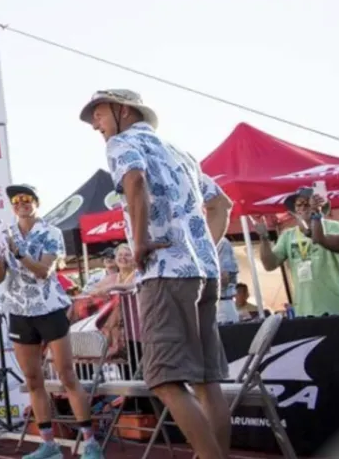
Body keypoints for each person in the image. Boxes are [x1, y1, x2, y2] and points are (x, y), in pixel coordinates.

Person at [79, 89, 233, 459]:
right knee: (207, 381)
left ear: (123, 111)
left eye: (98, 115)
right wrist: (202, 249)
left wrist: (142, 241)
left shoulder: (121, 144)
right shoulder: (180, 152)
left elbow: (135, 182)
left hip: (164, 273)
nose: (95, 125)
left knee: (164, 380)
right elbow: (221, 204)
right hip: (203, 272)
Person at [0, 184, 102, 459]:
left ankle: (90, 442)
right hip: (19, 311)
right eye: (16, 200)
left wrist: (17, 253)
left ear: (36, 203)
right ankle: (48, 445)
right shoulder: (7, 234)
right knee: (32, 379)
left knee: (66, 375)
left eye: (27, 199)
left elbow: (43, 271)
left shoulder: (51, 232)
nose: (21, 203)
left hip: (49, 309)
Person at [256, 188, 339, 317]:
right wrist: (264, 238)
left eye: (308, 203)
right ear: (295, 210)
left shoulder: (334, 227)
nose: (303, 207)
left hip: (335, 307)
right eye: (299, 204)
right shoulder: (288, 235)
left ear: (319, 205)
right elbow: (270, 265)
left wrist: (316, 216)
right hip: (304, 311)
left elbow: (323, 240)